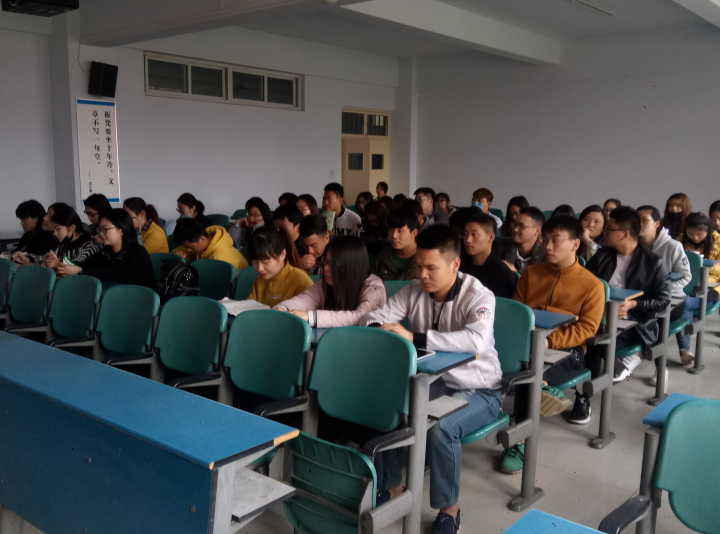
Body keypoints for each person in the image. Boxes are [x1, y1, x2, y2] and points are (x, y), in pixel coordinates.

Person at [364, 225, 502, 534]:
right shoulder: (414, 290)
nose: (423, 275)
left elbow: (477, 341)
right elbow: (376, 316)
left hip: (479, 390)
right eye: (419, 266)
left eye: (431, 268)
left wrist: (414, 337)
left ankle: (449, 510)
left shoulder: (479, 295)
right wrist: (379, 328)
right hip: (433, 383)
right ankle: (393, 487)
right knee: (389, 408)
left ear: (455, 264)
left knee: (441, 429)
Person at [501, 216, 605, 472]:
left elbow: (586, 329)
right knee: (521, 368)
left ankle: (521, 440)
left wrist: (550, 341)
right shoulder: (531, 274)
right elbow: (518, 312)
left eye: (555, 241)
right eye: (545, 240)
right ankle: (543, 390)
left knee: (531, 375)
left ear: (575, 244)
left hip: (568, 351)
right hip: (527, 343)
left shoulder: (592, 285)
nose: (547, 246)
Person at [583, 206, 670, 402]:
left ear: (623, 234)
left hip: (636, 324)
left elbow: (663, 301)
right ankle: (587, 392)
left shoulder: (653, 262)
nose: (604, 232)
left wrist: (634, 305)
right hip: (601, 317)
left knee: (595, 342)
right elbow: (585, 284)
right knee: (588, 339)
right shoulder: (602, 255)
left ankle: (585, 396)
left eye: (609, 229)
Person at [275, 236, 386, 326]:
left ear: (350, 267)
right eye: (326, 262)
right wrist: (283, 308)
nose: (326, 268)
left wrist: (311, 317)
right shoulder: (326, 284)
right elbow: (305, 299)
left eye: (334, 264)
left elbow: (360, 317)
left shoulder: (374, 288)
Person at [638, 205, 692, 367]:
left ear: (656, 223)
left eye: (644, 220)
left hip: (673, 300)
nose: (639, 224)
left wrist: (662, 289)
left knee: (654, 319)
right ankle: (628, 357)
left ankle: (661, 369)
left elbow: (685, 276)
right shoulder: (635, 246)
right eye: (636, 220)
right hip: (645, 298)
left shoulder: (673, 246)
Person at [57, 208, 155, 288]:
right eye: (100, 229)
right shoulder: (106, 251)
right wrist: (59, 264)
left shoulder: (138, 253)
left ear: (121, 230)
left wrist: (80, 270)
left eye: (105, 229)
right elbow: (84, 265)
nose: (100, 233)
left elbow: (118, 275)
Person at [248, 228, 314, 306]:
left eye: (265, 262)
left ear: (282, 254)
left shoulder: (301, 281)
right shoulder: (260, 279)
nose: (260, 268)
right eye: (255, 262)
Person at [461, 210, 517, 298]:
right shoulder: (459, 264)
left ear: (491, 237)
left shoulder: (501, 273)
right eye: (465, 234)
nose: (468, 240)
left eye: (474, 234)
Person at [173, 218, 248, 269]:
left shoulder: (218, 258)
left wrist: (187, 263)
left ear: (201, 239)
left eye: (190, 248)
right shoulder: (203, 237)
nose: (188, 250)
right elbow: (178, 251)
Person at [44, 204, 101, 269]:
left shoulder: (88, 245)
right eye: (53, 229)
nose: (54, 233)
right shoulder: (62, 242)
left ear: (72, 228)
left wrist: (57, 263)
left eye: (58, 229)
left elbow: (76, 267)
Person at [372, 202, 419, 281]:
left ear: (414, 233)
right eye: (391, 230)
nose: (394, 235)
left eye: (400, 231)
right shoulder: (383, 256)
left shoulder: (425, 259)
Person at [682, 212, 720, 300]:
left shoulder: (717, 242)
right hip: (686, 280)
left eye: (699, 234)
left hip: (711, 283)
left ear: (708, 231)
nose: (695, 238)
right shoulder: (682, 240)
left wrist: (702, 264)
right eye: (690, 233)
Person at [495, 207, 545, 274]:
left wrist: (516, 274)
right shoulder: (500, 246)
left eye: (521, 226)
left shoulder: (546, 254)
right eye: (515, 224)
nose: (515, 229)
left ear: (537, 231)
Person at [12, 200, 58, 264]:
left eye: (24, 219)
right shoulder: (27, 235)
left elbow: (41, 260)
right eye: (21, 220)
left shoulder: (48, 238)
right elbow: (17, 251)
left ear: (36, 218)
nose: (21, 223)